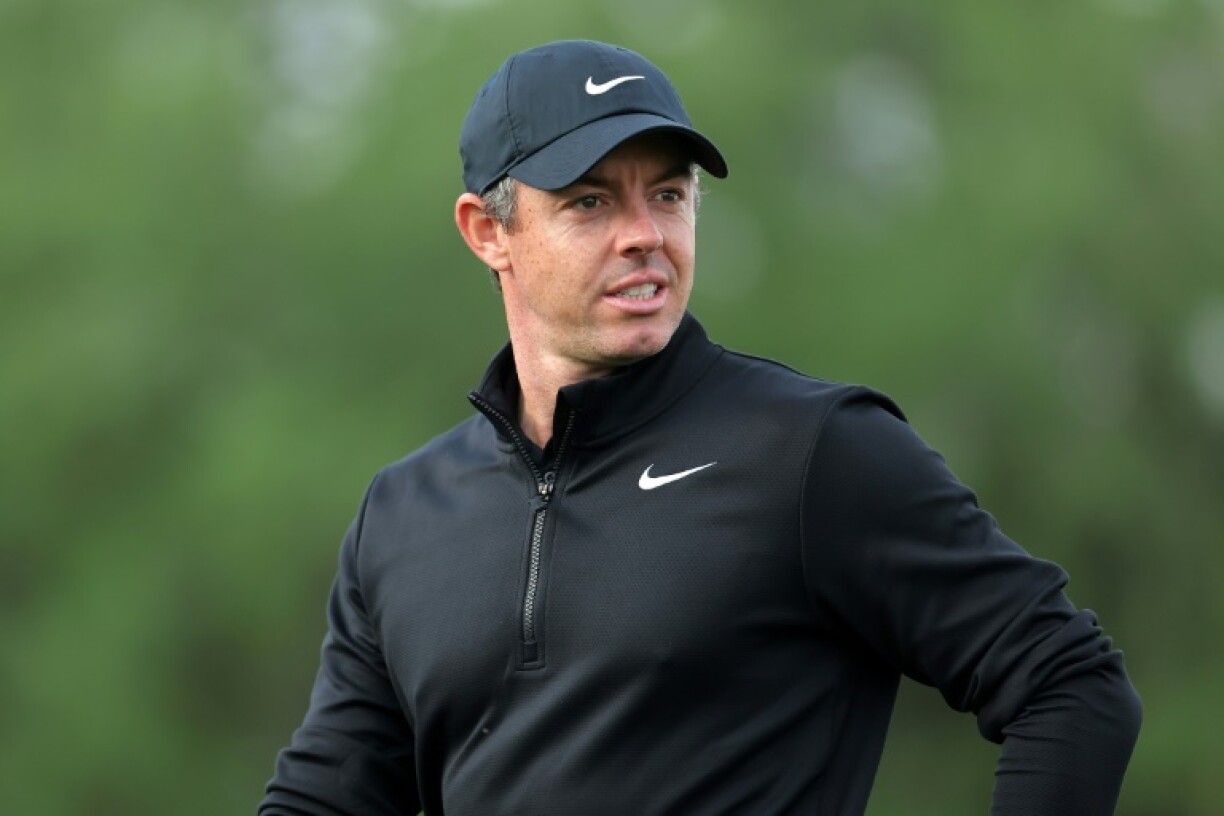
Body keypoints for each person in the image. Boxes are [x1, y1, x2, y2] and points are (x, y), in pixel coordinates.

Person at [260, 39, 1141, 815]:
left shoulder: (811, 451)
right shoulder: (405, 513)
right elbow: (326, 796)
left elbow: (1071, 685)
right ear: (488, 231)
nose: (646, 235)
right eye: (592, 203)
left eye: (670, 196)